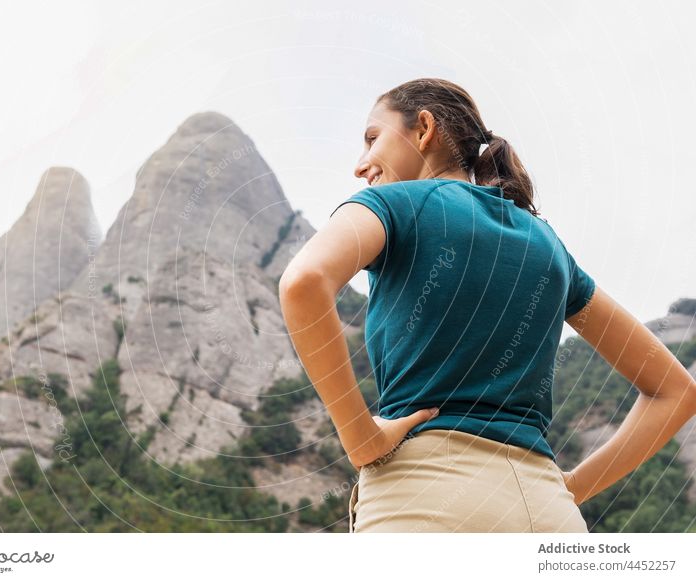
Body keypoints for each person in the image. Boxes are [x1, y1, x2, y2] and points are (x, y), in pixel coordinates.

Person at [278, 78, 696, 533]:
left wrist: (360, 437)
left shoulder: (389, 206)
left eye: (372, 139)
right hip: (549, 515)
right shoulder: (547, 244)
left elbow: (304, 282)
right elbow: (677, 391)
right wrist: (568, 490)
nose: (360, 166)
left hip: (424, 502)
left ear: (423, 128)